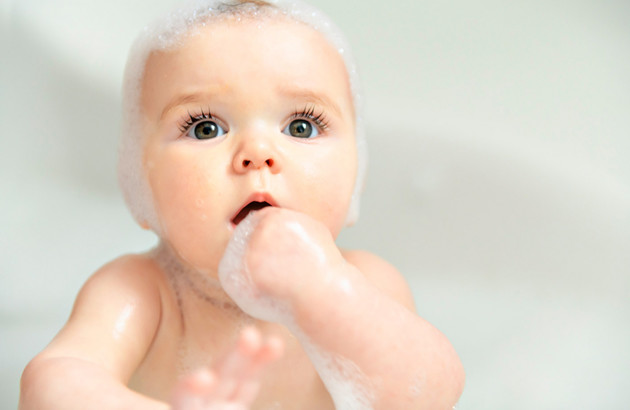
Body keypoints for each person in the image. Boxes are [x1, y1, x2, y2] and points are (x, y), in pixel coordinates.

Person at [19, 1, 465, 408]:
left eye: (302, 125)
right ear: (141, 179)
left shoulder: (367, 284)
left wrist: (328, 292)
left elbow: (432, 392)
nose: (257, 153)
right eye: (205, 128)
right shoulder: (142, 292)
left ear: (357, 170)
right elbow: (52, 384)